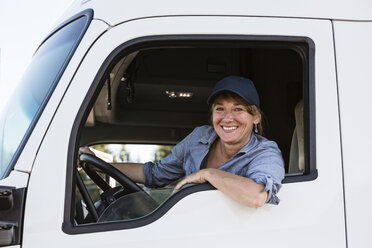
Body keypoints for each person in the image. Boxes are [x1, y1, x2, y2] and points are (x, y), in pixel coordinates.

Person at [81, 76, 285, 207]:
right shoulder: (200, 137)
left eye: (238, 109)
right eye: (220, 109)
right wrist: (101, 167)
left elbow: (257, 196)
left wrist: (208, 174)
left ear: (255, 116)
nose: (227, 118)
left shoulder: (265, 152)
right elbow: (155, 174)